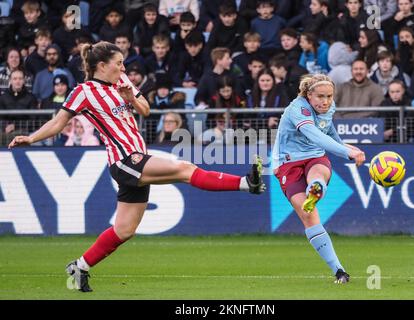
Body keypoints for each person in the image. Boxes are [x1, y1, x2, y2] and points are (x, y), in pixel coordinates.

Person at [8, 41, 266, 293]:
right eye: (118, 63)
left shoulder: (123, 82)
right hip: (124, 160)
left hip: (136, 157)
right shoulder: (83, 91)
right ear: (101, 65)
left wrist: (131, 96)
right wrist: (31, 138)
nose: (123, 69)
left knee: (124, 230)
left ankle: (80, 266)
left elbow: (145, 110)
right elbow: (58, 122)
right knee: (185, 169)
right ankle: (246, 183)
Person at [272, 73, 365, 284]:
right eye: (321, 96)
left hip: (314, 156)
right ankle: (338, 268)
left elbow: (328, 131)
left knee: (318, 171)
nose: (325, 101)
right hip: (288, 163)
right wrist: (344, 152)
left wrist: (345, 146)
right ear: (308, 95)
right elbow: (314, 134)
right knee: (309, 215)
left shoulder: (327, 109)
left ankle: (340, 272)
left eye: (330, 96)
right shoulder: (297, 109)